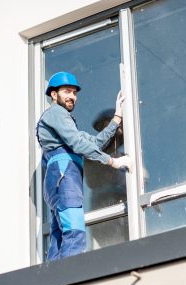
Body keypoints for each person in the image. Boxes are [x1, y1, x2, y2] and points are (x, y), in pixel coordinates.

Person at [36, 71, 131, 261]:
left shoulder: (65, 122)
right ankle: (70, 279)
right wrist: (112, 161)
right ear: (54, 95)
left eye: (74, 92)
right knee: (74, 231)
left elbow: (94, 143)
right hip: (64, 176)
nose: (72, 96)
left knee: (59, 236)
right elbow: (79, 144)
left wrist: (117, 118)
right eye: (67, 91)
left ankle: (53, 280)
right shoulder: (55, 113)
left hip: (63, 177)